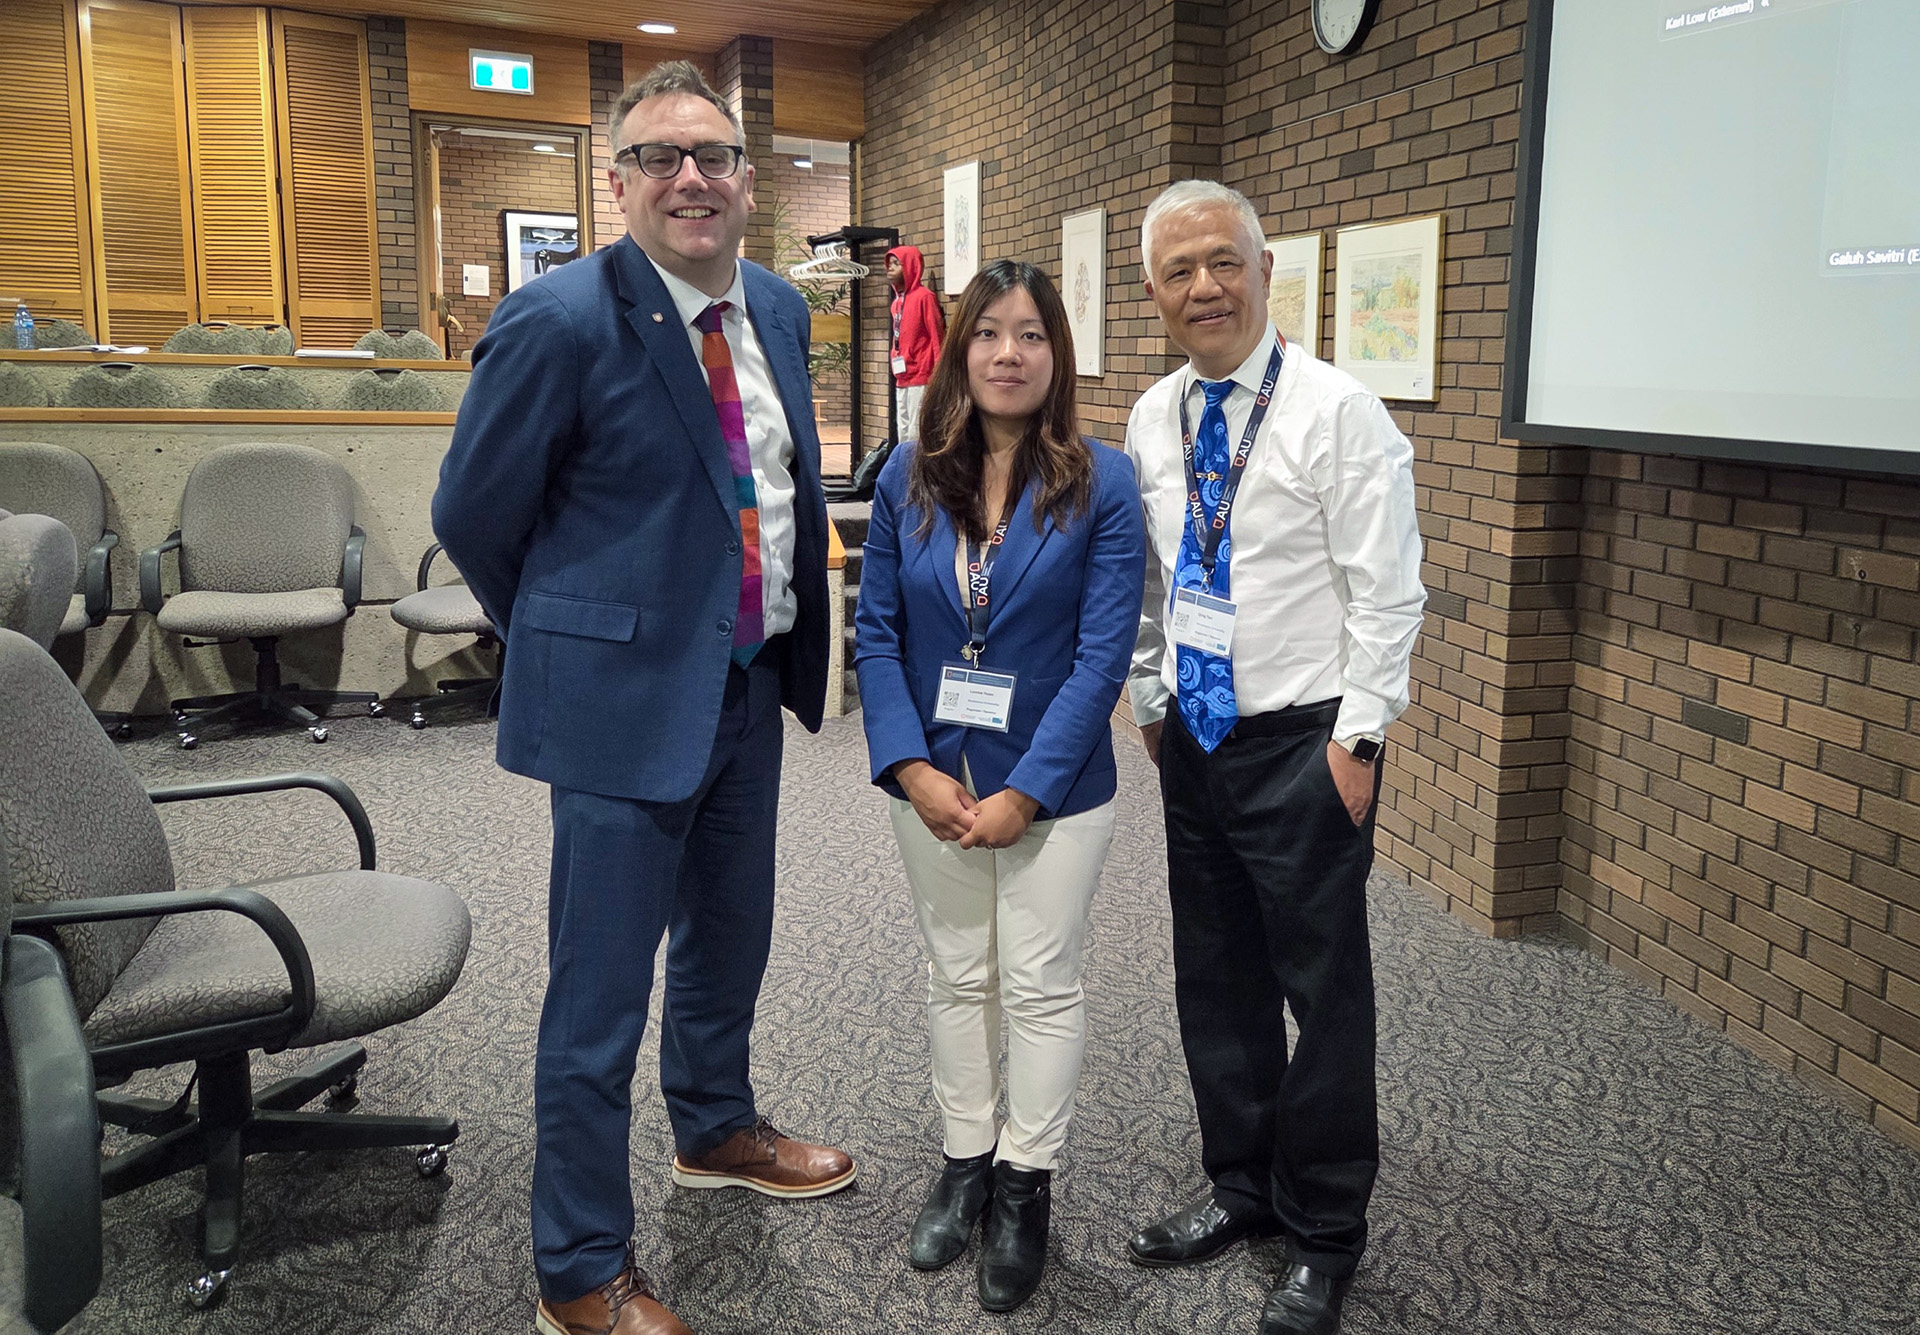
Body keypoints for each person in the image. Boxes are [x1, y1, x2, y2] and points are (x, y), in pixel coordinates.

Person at [433, 61, 853, 1335]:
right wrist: (571, 638)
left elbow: (777, 487)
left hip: (748, 682)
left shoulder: (776, 308)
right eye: (660, 157)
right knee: (599, 994)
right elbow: (474, 515)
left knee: (731, 939)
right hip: (621, 707)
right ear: (616, 181)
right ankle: (577, 1267)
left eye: (714, 157)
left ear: (743, 183)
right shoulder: (560, 319)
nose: (690, 177)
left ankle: (715, 1126)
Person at [1121, 180, 1426, 1335]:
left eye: (1225, 263)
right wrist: (1151, 695)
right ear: (1154, 293)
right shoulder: (1154, 417)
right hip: (1196, 742)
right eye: (1179, 271)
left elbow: (1388, 593)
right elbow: (1155, 580)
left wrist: (1359, 740)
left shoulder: (1337, 413)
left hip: (1307, 745)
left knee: (1323, 993)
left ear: (1264, 271)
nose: (1205, 287)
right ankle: (1241, 1190)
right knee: (1218, 980)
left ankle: (1326, 1233)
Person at [854, 260, 1145, 1314]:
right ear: (958, 349)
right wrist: (910, 765)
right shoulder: (907, 476)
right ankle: (964, 1159)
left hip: (1054, 786)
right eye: (988, 334)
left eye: (1031, 335)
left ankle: (1026, 1186)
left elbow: (1102, 655)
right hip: (931, 774)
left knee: (1039, 979)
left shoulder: (1103, 483)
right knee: (956, 975)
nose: (1008, 354)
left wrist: (1027, 789)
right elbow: (877, 631)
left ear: (1057, 355)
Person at [887, 244, 945, 440]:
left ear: (910, 266)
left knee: (915, 432)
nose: (890, 268)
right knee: (902, 430)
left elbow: (937, 337)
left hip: (921, 375)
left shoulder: (925, 297)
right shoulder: (896, 303)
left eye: (897, 263)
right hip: (902, 375)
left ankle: (915, 470)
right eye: (890, 264)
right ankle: (904, 469)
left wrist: (939, 372)